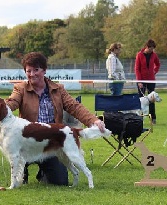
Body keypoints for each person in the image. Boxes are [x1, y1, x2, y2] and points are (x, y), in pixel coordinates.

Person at [6, 52, 106, 186]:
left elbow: (74, 107)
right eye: (28, 71)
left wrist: (94, 121)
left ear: (44, 70)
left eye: (36, 70)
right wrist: (0, 106)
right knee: (18, 166)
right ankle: (22, 172)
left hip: (52, 141)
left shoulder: (58, 89)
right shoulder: (20, 89)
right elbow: (12, 102)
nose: (32, 74)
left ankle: (43, 171)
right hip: (28, 141)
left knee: (60, 181)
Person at [135, 39, 161, 124]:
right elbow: (137, 69)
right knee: (141, 100)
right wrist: (139, 81)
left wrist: (154, 71)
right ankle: (140, 118)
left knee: (152, 99)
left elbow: (158, 64)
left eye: (153, 49)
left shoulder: (154, 55)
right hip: (141, 80)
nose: (151, 50)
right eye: (150, 48)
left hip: (151, 80)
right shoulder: (139, 55)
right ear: (147, 47)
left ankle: (153, 118)